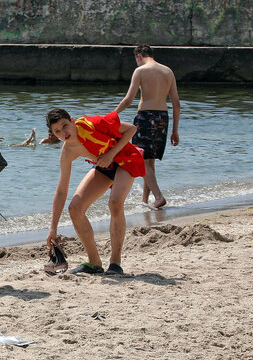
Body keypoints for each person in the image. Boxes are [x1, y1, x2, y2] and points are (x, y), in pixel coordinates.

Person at [45, 108, 144, 275]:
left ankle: (115, 263)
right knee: (75, 209)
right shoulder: (67, 152)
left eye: (65, 125)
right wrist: (53, 228)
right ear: (54, 135)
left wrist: (111, 154)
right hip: (104, 165)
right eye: (57, 131)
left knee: (115, 202)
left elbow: (131, 129)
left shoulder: (92, 124)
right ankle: (94, 262)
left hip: (125, 158)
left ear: (73, 120)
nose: (63, 132)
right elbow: (61, 191)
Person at [113, 44, 181, 209]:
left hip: (145, 117)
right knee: (149, 161)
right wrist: (174, 131)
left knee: (140, 158)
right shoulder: (168, 71)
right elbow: (176, 104)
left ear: (139, 56)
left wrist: (113, 115)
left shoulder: (140, 71)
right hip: (162, 118)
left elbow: (129, 99)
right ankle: (145, 201)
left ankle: (158, 197)